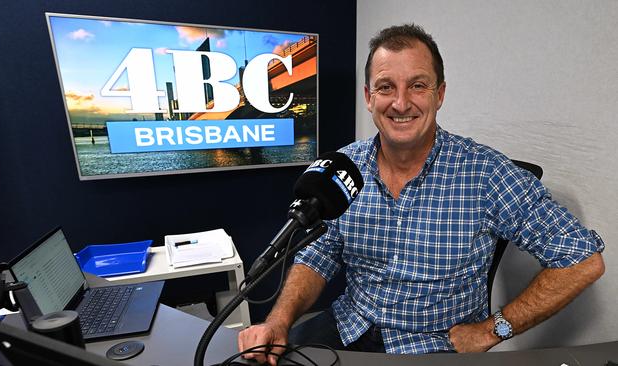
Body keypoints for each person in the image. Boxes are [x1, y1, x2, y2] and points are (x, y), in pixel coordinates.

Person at [238, 24, 605, 365]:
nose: (400, 103)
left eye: (417, 85)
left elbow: (582, 260)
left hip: (433, 345)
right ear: (368, 97)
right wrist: (279, 320)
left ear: (439, 94)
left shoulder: (485, 173)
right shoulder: (345, 166)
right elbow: (320, 255)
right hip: (349, 324)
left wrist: (495, 329)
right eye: (385, 87)